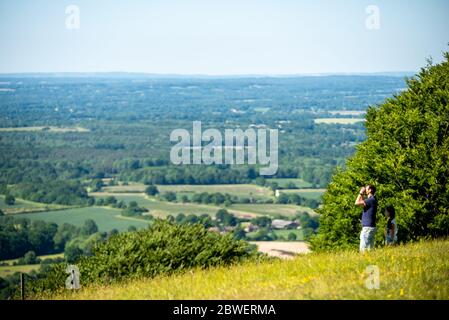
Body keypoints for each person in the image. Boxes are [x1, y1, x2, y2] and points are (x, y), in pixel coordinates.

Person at [355, 185, 377, 253]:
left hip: (367, 228)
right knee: (370, 249)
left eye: (366, 188)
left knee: (363, 249)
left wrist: (361, 193)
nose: (365, 190)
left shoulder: (370, 200)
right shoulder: (373, 199)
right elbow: (362, 201)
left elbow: (357, 203)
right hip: (371, 227)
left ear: (370, 190)